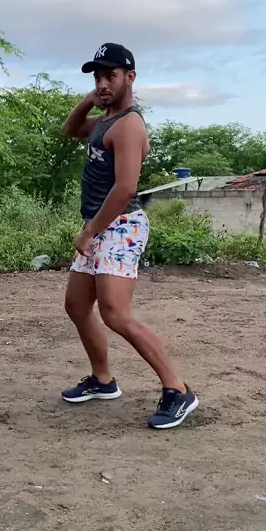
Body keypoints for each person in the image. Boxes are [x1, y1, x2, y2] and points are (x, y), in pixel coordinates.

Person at [62, 42, 198, 429]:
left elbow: (125, 188)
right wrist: (89, 100)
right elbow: (70, 130)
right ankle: (102, 380)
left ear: (130, 77)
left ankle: (178, 389)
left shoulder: (129, 125)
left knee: (115, 314)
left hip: (120, 226)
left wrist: (91, 230)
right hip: (100, 225)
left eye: (111, 76)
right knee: (76, 306)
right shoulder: (104, 121)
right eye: (98, 77)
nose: (103, 83)